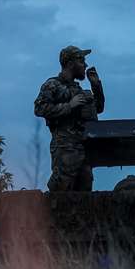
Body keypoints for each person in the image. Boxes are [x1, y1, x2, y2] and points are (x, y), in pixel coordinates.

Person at [33, 45, 105, 192]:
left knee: (84, 193)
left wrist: (96, 86)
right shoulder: (53, 85)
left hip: (83, 149)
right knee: (61, 189)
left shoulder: (79, 90)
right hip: (65, 149)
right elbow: (39, 108)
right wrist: (69, 106)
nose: (85, 65)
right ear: (71, 64)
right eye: (81, 61)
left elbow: (98, 108)